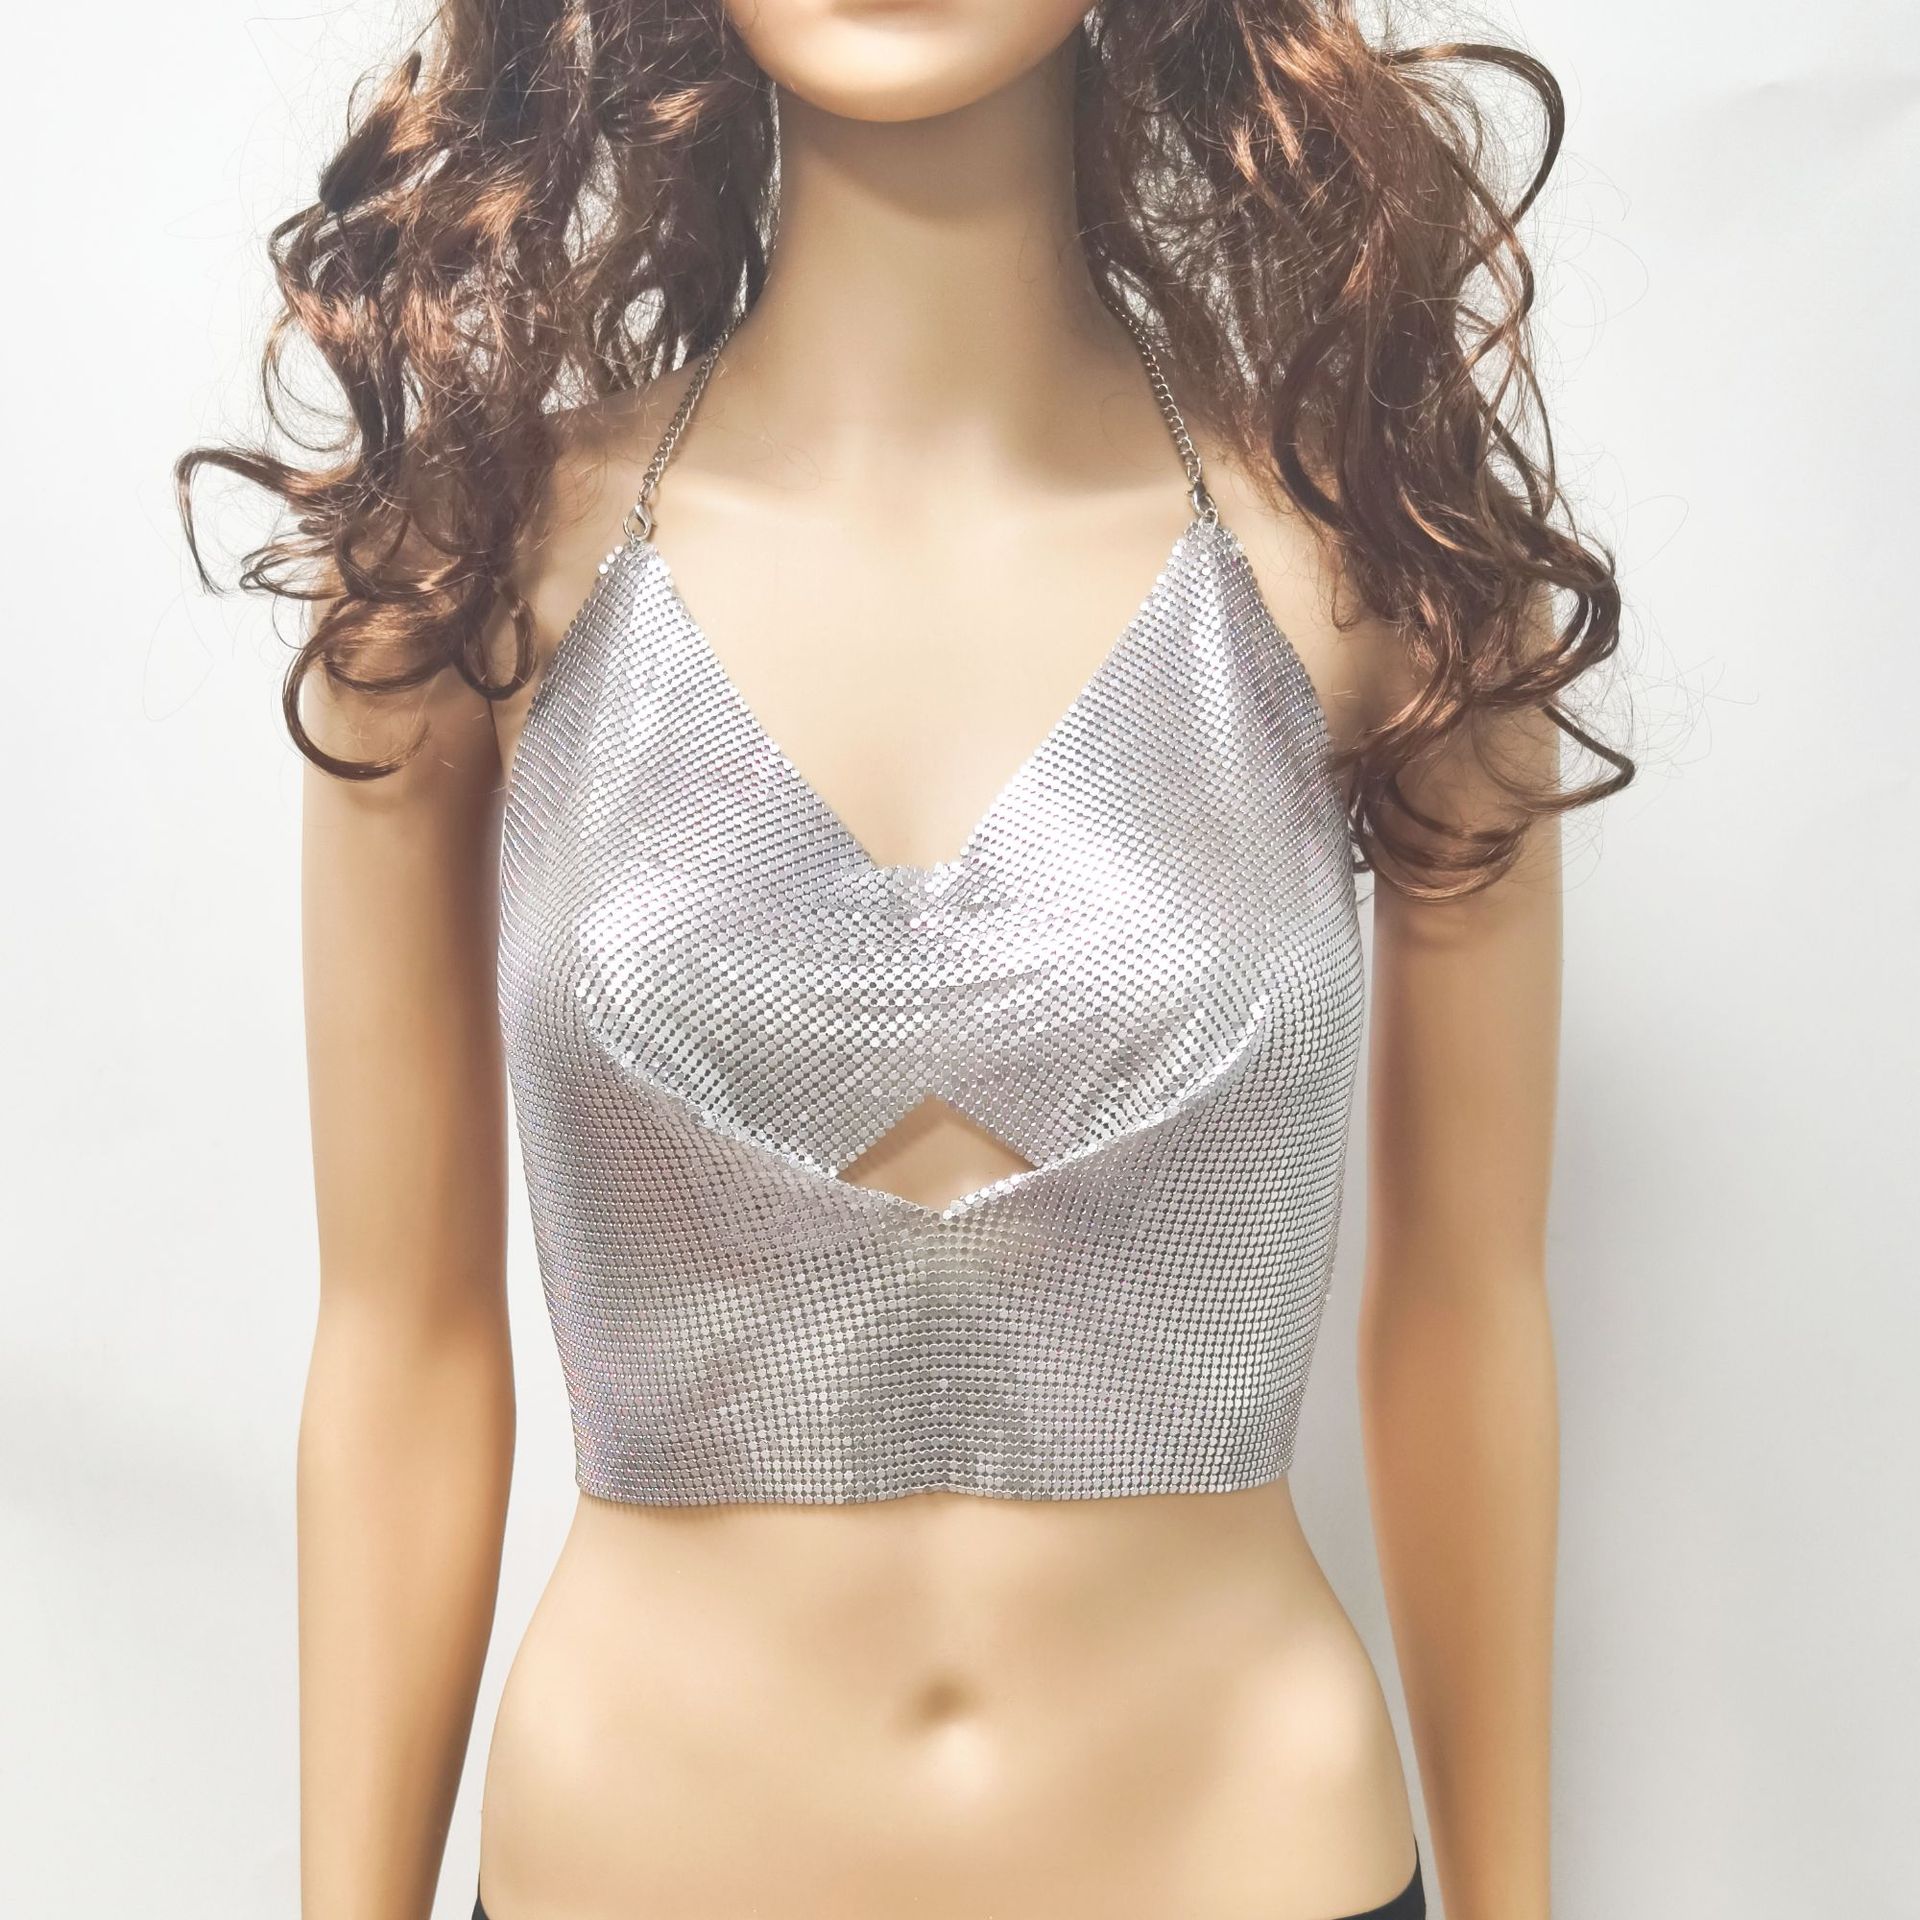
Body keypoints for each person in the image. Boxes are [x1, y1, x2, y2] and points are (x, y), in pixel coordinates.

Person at [178, 3, 1628, 1915]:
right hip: (646, 1847)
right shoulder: (469, 572)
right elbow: (400, 1347)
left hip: (1234, 1844)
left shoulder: (1389, 582)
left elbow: (1467, 1318)